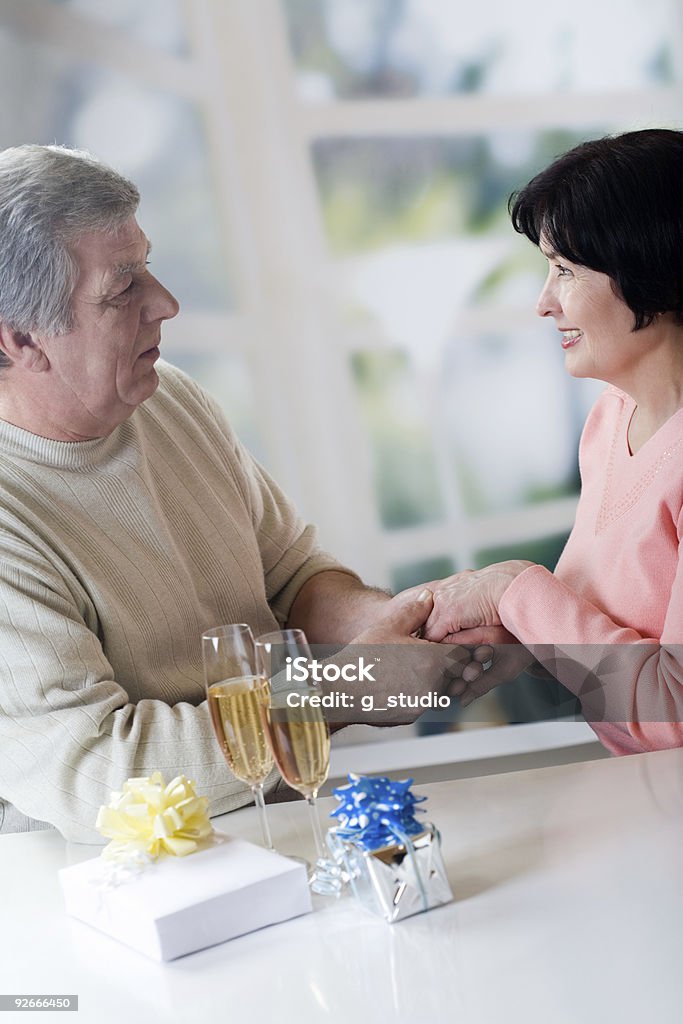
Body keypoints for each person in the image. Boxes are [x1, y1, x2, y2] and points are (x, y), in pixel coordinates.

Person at [0, 144, 470, 842]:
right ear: (17, 340)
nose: (165, 303)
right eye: (121, 288)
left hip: (275, 810)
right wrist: (342, 690)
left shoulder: (172, 401)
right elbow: (100, 771)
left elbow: (290, 579)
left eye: (148, 267)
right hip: (110, 872)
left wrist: (403, 621)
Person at [419, 128, 683, 757]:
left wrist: (515, 589)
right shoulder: (610, 421)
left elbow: (672, 711)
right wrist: (500, 632)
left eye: (565, 270)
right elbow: (598, 632)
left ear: (652, 269)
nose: (543, 302)